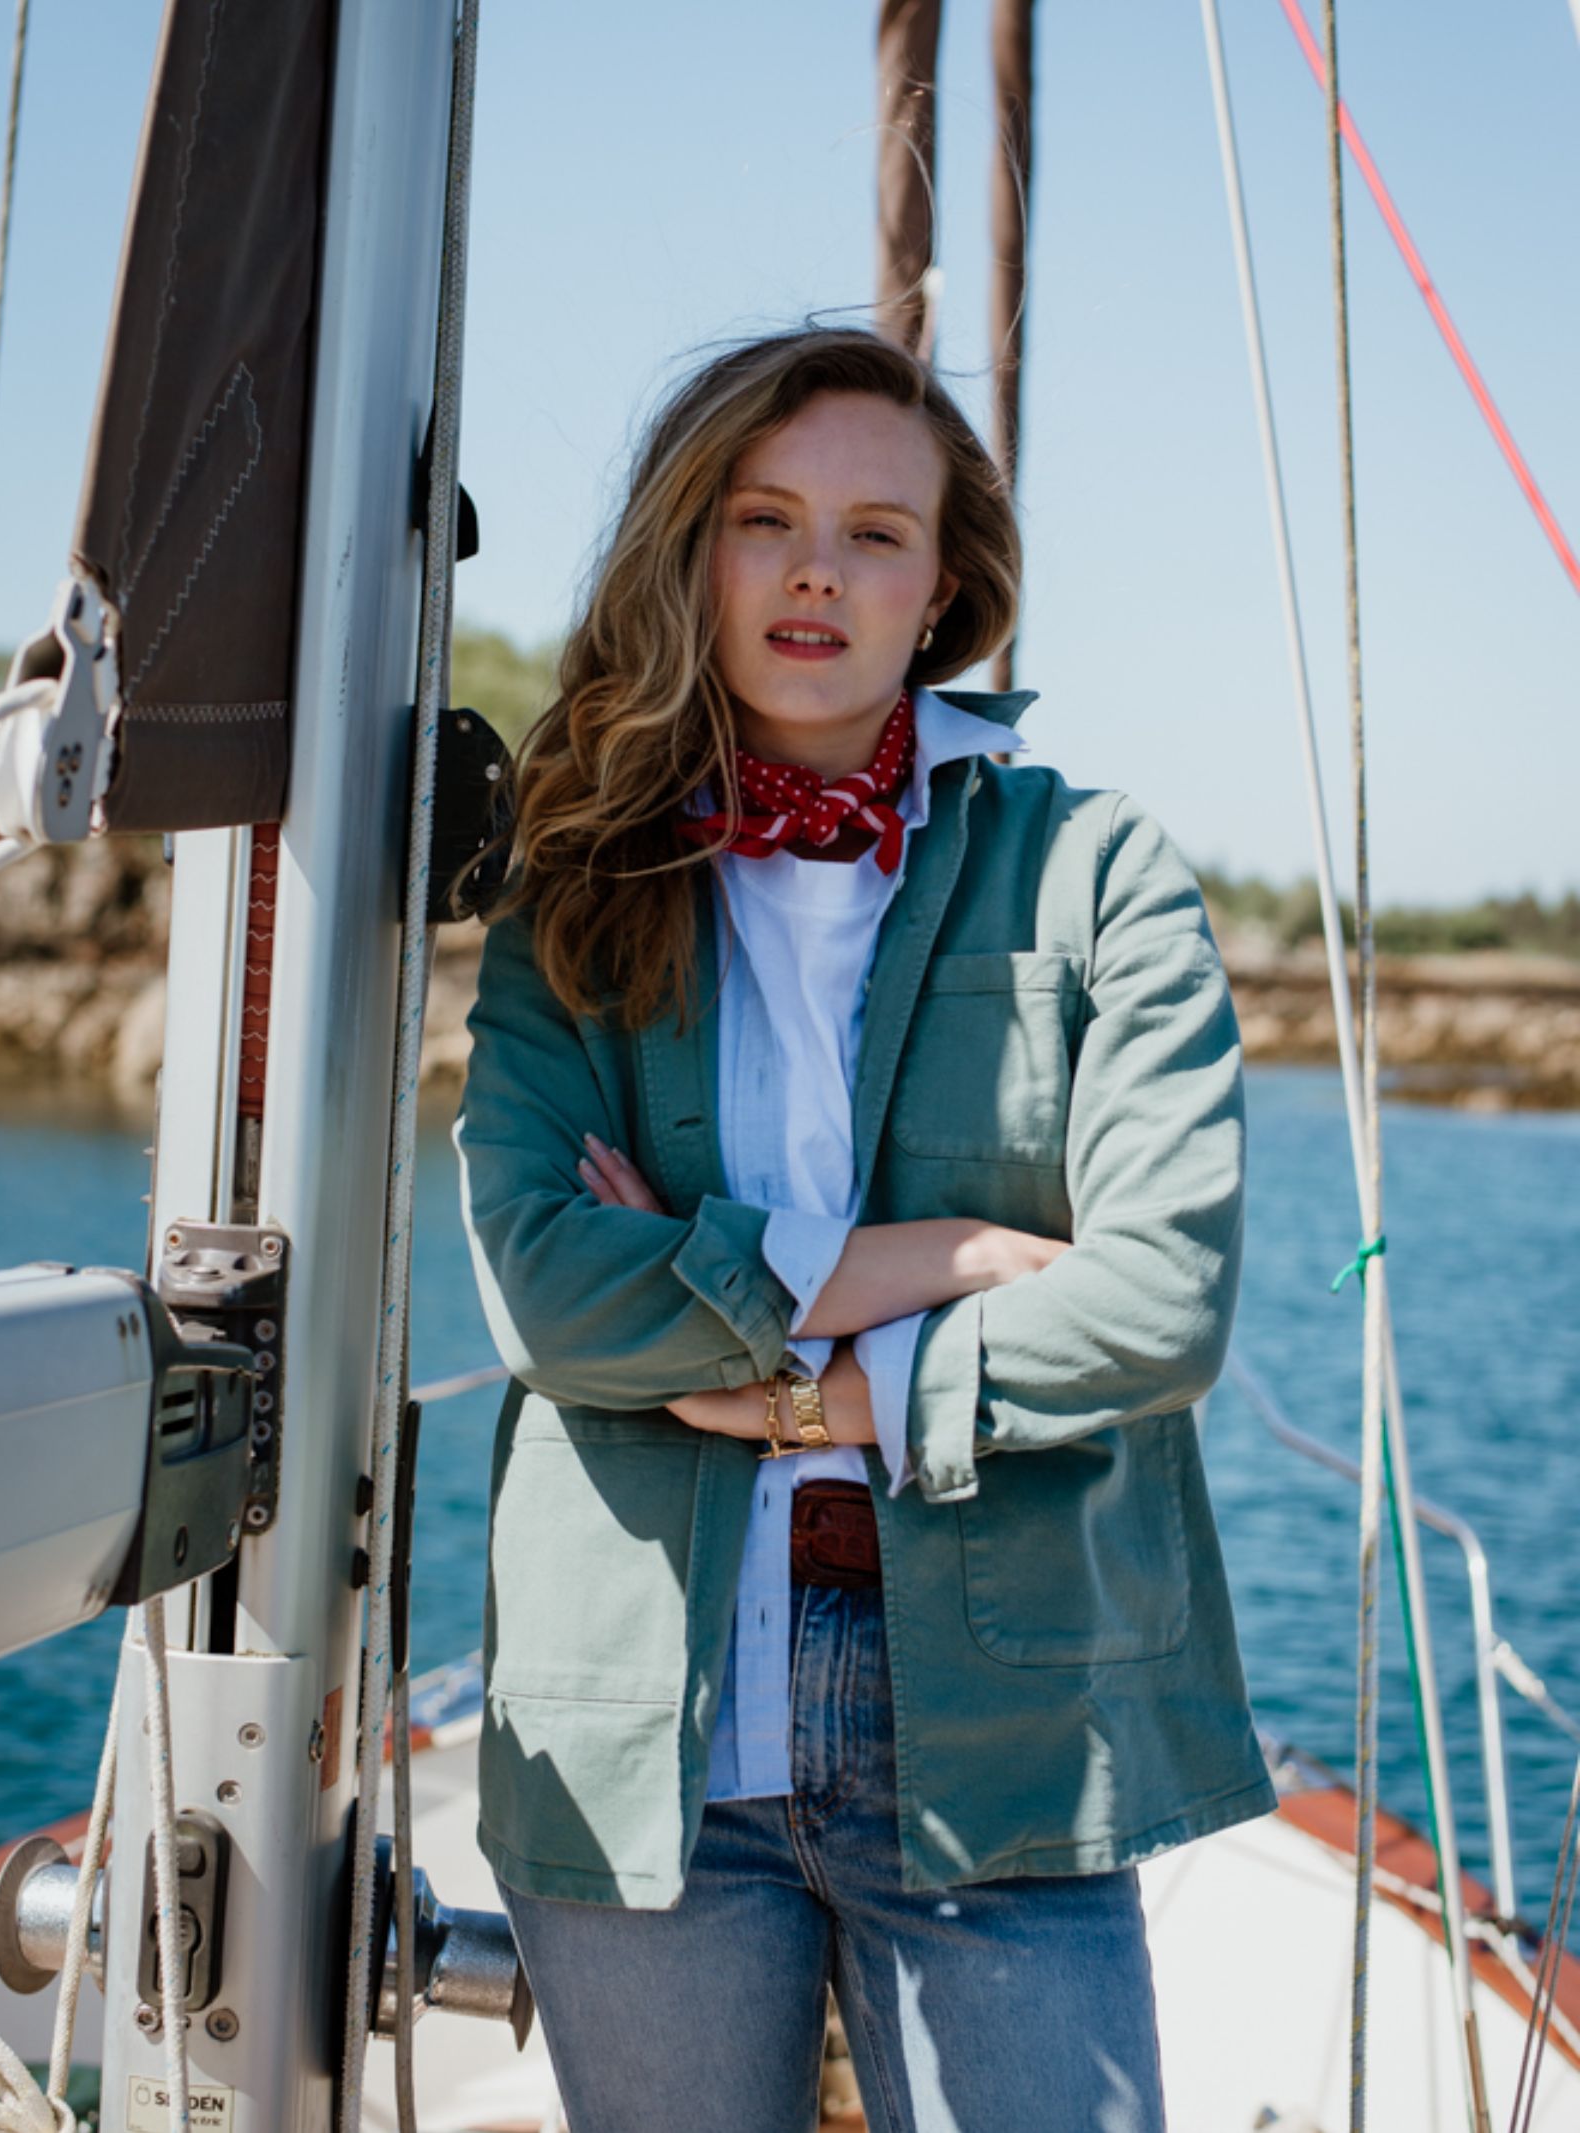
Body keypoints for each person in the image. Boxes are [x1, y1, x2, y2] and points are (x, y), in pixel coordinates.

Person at [454, 323, 1276, 2133]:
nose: (818, 567)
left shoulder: (1101, 870)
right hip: (646, 1732)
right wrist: (944, 1258)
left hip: (1006, 1726)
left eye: (877, 532)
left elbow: (1162, 1306)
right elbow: (548, 1290)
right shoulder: (580, 893)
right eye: (767, 516)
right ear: (702, 553)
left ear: (945, 590)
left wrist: (807, 1384)